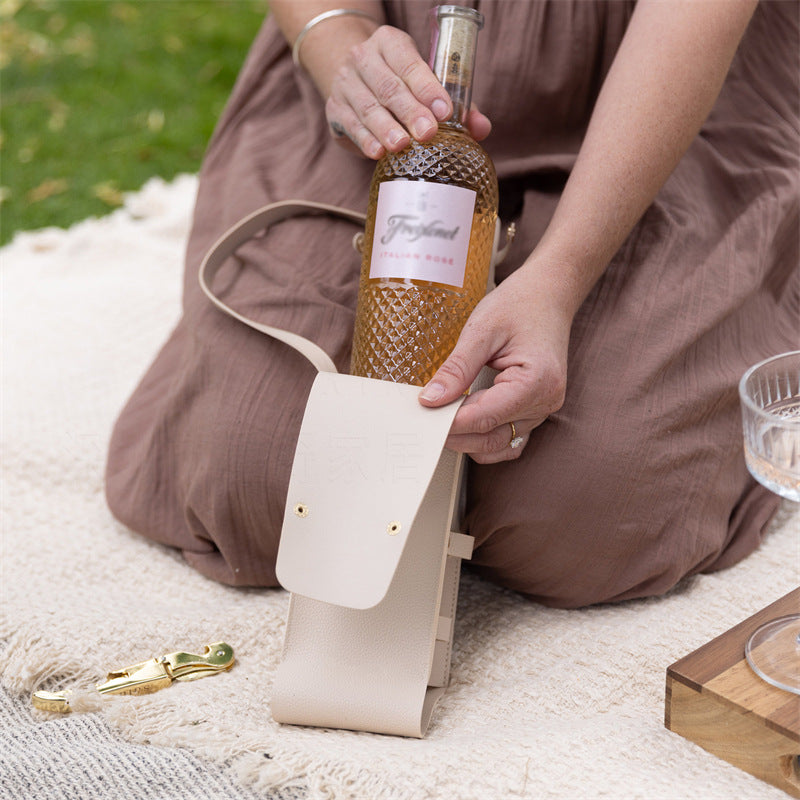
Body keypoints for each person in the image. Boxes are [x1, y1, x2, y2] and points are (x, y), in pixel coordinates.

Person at [105, 1, 799, 607]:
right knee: (250, 483)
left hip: (670, 99)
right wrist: (338, 40)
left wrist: (558, 281)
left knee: (586, 520)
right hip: (385, 75)